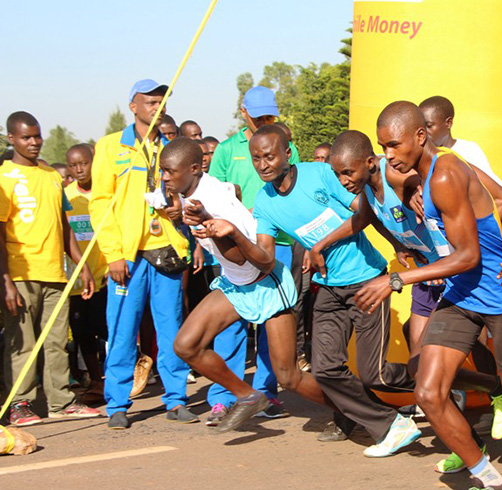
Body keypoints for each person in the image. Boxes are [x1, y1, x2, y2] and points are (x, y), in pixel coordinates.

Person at [357, 101, 502, 490]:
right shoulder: (420, 172)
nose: (388, 156)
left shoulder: (446, 174)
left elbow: (469, 254)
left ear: (420, 137)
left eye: (394, 146)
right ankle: (489, 478)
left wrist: (397, 280)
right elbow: (496, 199)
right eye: (383, 148)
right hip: (461, 296)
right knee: (428, 392)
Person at [229, 124, 420, 456]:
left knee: (377, 374)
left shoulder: (320, 174)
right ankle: (390, 424)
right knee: (325, 369)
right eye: (256, 158)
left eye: (270, 155)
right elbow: (265, 257)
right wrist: (233, 234)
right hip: (328, 288)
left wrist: (327, 244)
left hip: (366, 280)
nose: (263, 164)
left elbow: (365, 212)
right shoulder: (264, 202)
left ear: (288, 154)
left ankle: (445, 384)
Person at [156, 137, 327, 432]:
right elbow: (228, 190)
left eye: (170, 171)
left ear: (195, 168)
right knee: (186, 345)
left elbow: (245, 259)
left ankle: (354, 410)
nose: (165, 177)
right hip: (236, 286)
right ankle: (248, 395)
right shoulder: (190, 189)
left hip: (266, 284)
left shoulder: (213, 201)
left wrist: (214, 226)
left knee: (289, 378)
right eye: (163, 171)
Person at [90, 79, 195, 429]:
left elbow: (185, 194)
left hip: (165, 252)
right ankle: (117, 403)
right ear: (133, 106)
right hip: (128, 257)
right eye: (149, 101)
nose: (156, 107)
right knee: (121, 330)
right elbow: (100, 203)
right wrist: (114, 254)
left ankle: (176, 398)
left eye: (160, 102)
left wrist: (179, 207)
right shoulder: (110, 148)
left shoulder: (171, 148)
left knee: (171, 329)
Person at [209, 86, 302, 419]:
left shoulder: (285, 146)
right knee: (230, 324)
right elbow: (212, 194)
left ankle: (266, 393)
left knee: (272, 322)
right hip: (234, 248)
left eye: (270, 115)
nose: (264, 120)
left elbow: (296, 192)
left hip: (277, 244)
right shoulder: (225, 150)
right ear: (242, 112)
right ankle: (223, 396)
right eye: (258, 114)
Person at [1, 111, 99, 426]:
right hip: (20, 272)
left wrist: (80, 265)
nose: (34, 142)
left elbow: (64, 225)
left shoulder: (51, 175)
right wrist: (6, 282)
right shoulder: (4, 176)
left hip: (56, 272)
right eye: (26, 137)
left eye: (37, 136)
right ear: (11, 139)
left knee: (56, 341)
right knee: (24, 343)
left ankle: (62, 401)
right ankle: (20, 404)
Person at [64, 143, 109, 405]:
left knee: (107, 329)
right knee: (82, 332)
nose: (80, 169)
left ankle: (115, 377)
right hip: (77, 280)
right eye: (73, 165)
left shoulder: (105, 193)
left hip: (106, 275)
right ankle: (95, 379)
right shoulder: (67, 196)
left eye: (84, 163)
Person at [420, 95, 502, 184]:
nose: (423, 132)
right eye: (420, 127)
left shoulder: (468, 150)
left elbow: (493, 186)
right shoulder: (420, 154)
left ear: (448, 123)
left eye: (429, 126)